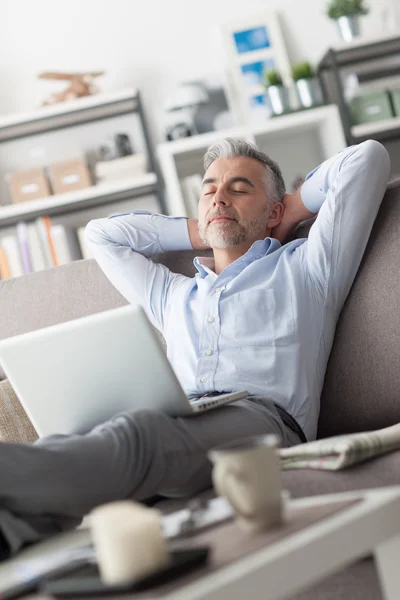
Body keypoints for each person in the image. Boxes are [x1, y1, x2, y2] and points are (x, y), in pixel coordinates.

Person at [0, 138, 390, 558]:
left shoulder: (308, 267)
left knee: (140, 436)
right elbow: (103, 236)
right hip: (182, 420)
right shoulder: (172, 294)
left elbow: (367, 158)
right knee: (66, 448)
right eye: (209, 190)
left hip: (265, 425)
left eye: (240, 189)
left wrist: (294, 205)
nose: (220, 196)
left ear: (273, 211)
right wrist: (202, 226)